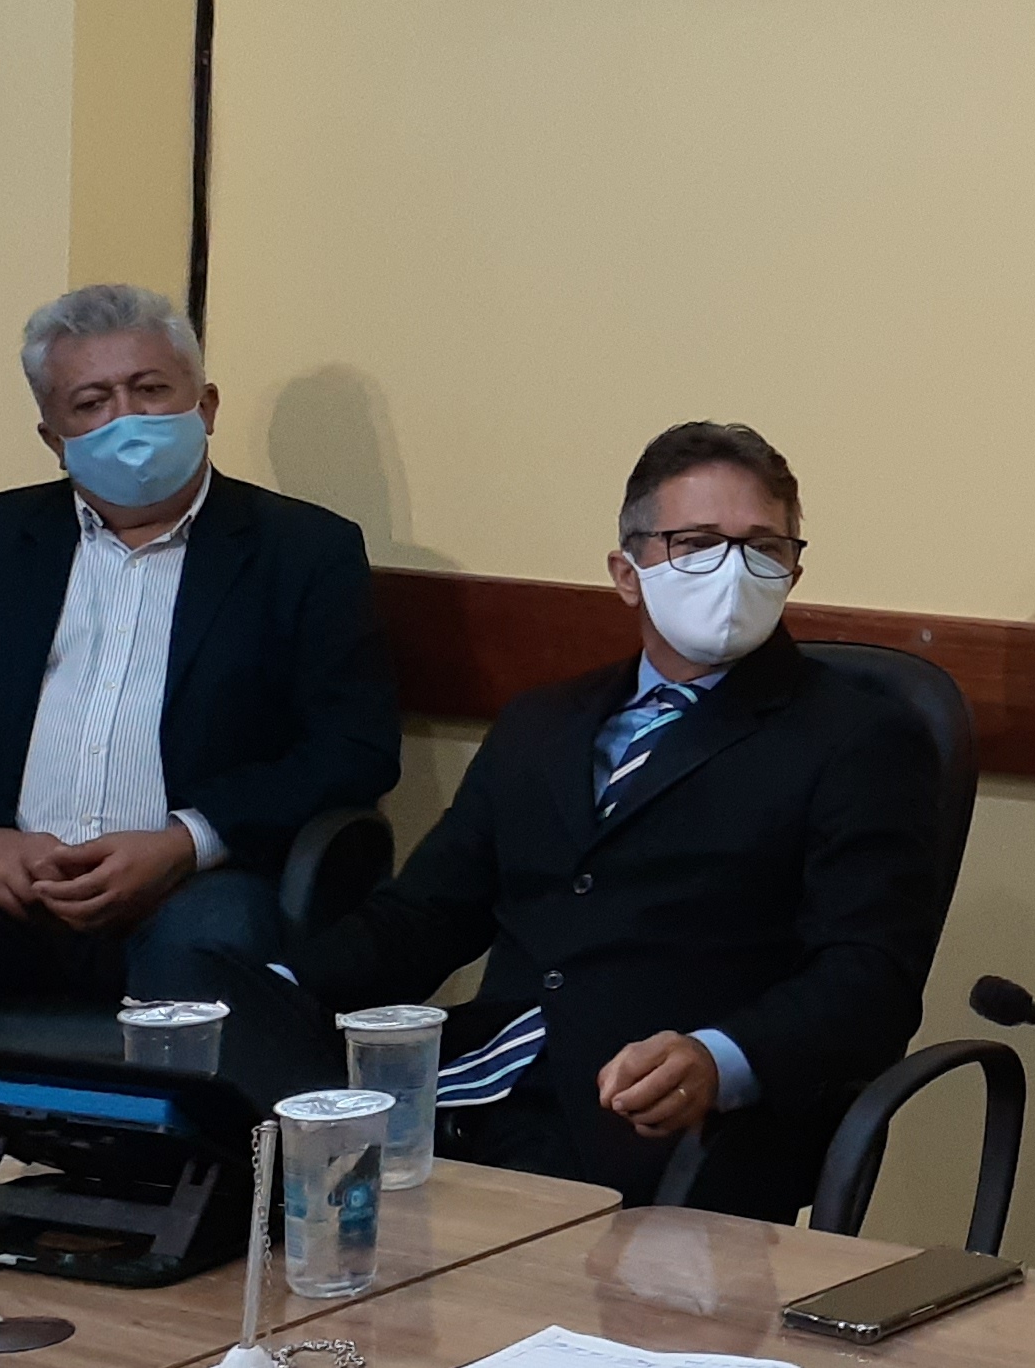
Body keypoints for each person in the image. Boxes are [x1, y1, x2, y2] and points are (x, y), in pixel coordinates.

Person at [282, 422, 946, 1220]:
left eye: (764, 547)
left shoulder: (858, 738)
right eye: (696, 542)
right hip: (469, 1097)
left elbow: (868, 981)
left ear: (792, 571)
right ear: (627, 574)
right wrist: (276, 992)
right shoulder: (542, 724)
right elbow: (425, 915)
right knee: (250, 1185)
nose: (733, 569)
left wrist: (720, 1057)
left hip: (663, 1128)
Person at [0, 286, 400, 1053]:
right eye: (92, 402)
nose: (126, 419)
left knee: (206, 981)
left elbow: (353, 747)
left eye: (150, 389)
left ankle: (173, 1143)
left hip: (193, 886)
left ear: (204, 406)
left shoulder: (303, 552)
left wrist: (185, 840)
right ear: (53, 437)